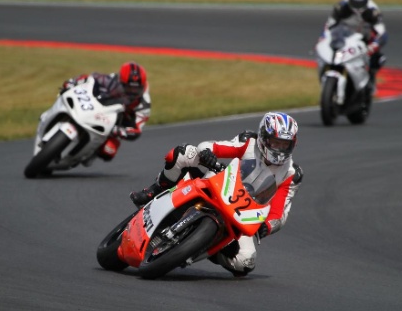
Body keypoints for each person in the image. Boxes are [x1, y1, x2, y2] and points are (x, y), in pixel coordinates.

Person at [130, 112, 304, 277]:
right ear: (264, 138)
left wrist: (266, 226)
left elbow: (280, 212)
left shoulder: (291, 174)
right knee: (184, 153)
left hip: (243, 213)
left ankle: (214, 250)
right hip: (220, 183)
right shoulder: (249, 142)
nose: (279, 148)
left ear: (293, 145)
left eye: (284, 144)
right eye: (275, 142)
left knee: (246, 261)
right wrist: (208, 154)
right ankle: (156, 189)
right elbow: (214, 146)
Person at [60, 62, 151, 162]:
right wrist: (74, 82)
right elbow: (91, 79)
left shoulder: (144, 104)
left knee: (108, 151)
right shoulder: (112, 80)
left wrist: (121, 131)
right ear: (121, 81)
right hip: (100, 106)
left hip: (116, 124)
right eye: (129, 88)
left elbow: (137, 130)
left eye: (136, 89)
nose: (133, 92)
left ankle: (87, 154)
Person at [323, 0, 388, 87]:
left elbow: (381, 33)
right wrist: (325, 37)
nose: (358, 6)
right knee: (327, 51)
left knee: (378, 59)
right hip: (343, 39)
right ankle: (330, 72)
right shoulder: (341, 7)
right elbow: (329, 25)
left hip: (364, 42)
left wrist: (374, 45)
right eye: (355, 2)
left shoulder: (373, 11)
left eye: (360, 3)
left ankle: (369, 81)